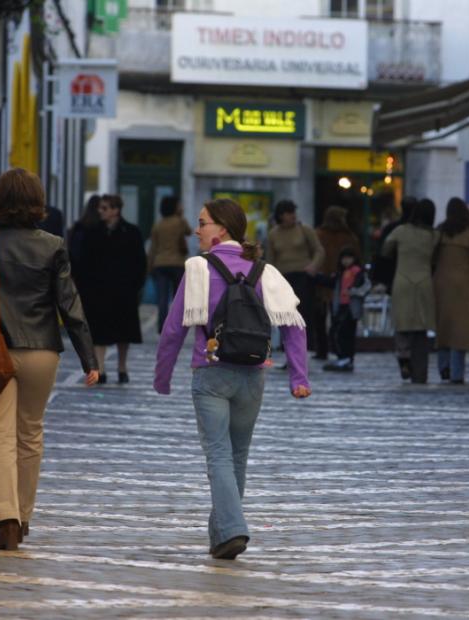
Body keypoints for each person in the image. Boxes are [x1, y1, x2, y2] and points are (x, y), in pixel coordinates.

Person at [154, 198, 311, 560]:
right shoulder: (264, 270)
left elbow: (173, 328)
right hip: (253, 375)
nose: (197, 229)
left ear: (222, 228)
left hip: (211, 372)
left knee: (219, 457)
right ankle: (223, 536)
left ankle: (233, 530)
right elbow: (294, 325)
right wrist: (298, 377)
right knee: (236, 456)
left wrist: (162, 378)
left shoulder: (197, 268)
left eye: (202, 222)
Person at [0, 168, 100, 551]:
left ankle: (6, 520)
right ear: (38, 203)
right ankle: (25, 514)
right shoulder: (53, 245)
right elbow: (70, 305)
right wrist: (89, 360)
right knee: (30, 432)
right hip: (42, 351)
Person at [72, 194, 147, 384]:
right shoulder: (93, 232)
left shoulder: (131, 232)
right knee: (98, 331)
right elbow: (82, 262)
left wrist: (134, 286)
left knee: (124, 332)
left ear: (115, 210)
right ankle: (101, 368)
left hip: (123, 291)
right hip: (98, 291)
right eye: (100, 208)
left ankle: (122, 367)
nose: (100, 211)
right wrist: (84, 287)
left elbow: (140, 262)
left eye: (105, 208)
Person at [382, 198, 439, 383]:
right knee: (421, 328)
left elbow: (385, 250)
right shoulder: (434, 236)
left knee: (402, 323)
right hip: (424, 282)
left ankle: (404, 357)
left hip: (402, 280)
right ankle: (420, 372)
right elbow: (437, 258)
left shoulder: (401, 231)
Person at [433, 197, 469, 384]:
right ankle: (457, 372)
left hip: (441, 282)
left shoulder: (440, 232)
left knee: (443, 325)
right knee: (461, 328)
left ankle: (443, 365)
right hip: (464, 282)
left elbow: (432, 256)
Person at [266, 200, 324, 352]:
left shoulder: (304, 230)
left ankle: (305, 349)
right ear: (281, 215)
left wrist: (313, 266)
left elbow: (319, 250)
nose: (293, 216)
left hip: (303, 276)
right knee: (286, 316)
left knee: (304, 314)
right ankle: (289, 350)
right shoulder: (273, 234)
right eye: (289, 213)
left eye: (294, 212)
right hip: (283, 279)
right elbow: (270, 259)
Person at [313, 205, 361, 360]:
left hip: (325, 280)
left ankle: (323, 350)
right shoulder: (349, 237)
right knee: (337, 319)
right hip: (340, 282)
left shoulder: (318, 235)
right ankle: (337, 350)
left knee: (321, 318)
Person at [148, 195, 193, 333]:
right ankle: (176, 326)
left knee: (162, 298)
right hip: (177, 264)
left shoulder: (158, 225)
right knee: (178, 298)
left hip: (160, 264)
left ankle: (161, 327)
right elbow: (189, 232)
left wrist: (149, 267)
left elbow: (153, 248)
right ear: (175, 207)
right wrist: (181, 215)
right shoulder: (179, 221)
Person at [324, 247, 370, 372]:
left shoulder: (357, 271)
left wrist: (354, 291)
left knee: (343, 332)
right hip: (341, 305)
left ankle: (345, 358)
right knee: (338, 332)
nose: (346, 261)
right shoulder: (341, 273)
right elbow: (331, 283)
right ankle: (344, 358)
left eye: (349, 258)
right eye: (344, 258)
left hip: (350, 306)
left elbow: (365, 286)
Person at [370, 198, 417, 293]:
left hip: (392, 275)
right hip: (413, 275)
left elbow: (382, 251)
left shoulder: (391, 228)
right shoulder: (421, 232)